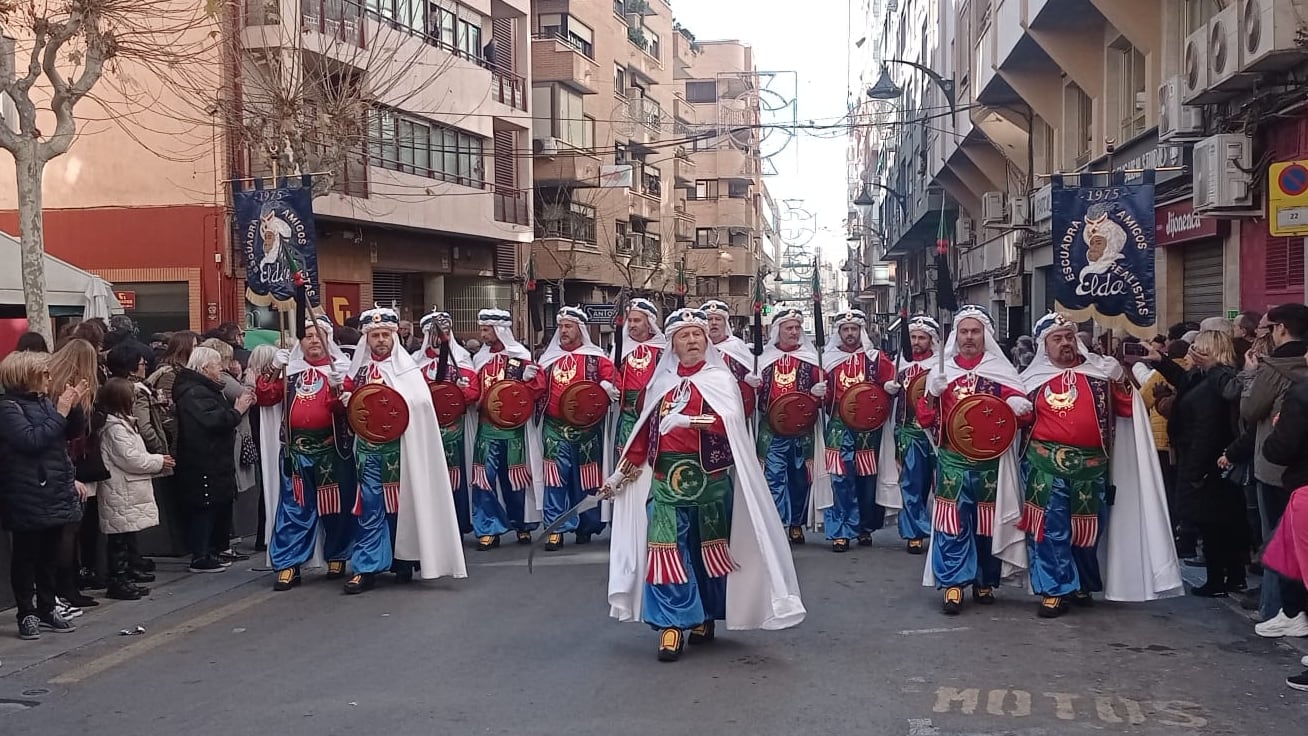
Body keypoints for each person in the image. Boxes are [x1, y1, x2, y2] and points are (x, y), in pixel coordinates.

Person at [606, 308, 805, 661]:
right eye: (685, 336)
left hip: (710, 483)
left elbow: (730, 422)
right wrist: (620, 473)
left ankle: (704, 616)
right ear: (673, 344)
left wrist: (689, 420)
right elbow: (643, 433)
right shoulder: (661, 382)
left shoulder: (719, 378)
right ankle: (671, 625)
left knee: (709, 553)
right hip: (667, 483)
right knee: (667, 553)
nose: (694, 340)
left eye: (698, 334)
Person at [1019, 313, 1180, 617]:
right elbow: (1017, 421)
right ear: (1044, 345)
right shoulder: (1029, 381)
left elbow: (1127, 411)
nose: (1066, 343)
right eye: (1058, 338)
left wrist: (1121, 381)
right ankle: (1054, 589)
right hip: (1044, 466)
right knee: (1050, 530)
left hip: (1091, 467)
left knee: (1088, 531)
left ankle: (1082, 582)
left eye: (1069, 336)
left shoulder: (1100, 373)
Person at [341, 306, 466, 593]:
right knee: (370, 507)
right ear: (367, 339)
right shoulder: (356, 371)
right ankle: (366, 567)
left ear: (394, 336)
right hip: (369, 451)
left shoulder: (408, 370)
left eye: (385, 334)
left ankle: (404, 560)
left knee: (401, 506)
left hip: (402, 451)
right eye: (375, 336)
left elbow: (420, 405)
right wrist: (345, 398)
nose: (381, 340)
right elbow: (347, 404)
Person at [916, 305, 1032, 614]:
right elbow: (925, 418)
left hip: (991, 461)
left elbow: (1022, 415)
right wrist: (931, 395)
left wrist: (1017, 404)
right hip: (953, 459)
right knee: (952, 522)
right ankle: (954, 583)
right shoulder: (942, 371)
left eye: (975, 331)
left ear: (985, 335)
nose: (969, 337)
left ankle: (985, 579)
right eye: (964, 331)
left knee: (987, 523)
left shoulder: (1001, 370)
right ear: (957, 335)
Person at [255, 316, 357, 590]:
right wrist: (274, 368)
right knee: (294, 509)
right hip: (296, 452)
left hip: (331, 450)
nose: (313, 341)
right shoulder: (291, 370)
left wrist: (341, 392)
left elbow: (348, 412)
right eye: (308, 335)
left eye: (319, 335)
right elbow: (264, 396)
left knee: (335, 505)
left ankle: (338, 555)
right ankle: (289, 563)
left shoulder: (343, 369)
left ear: (329, 340)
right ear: (300, 340)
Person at [0, 350, 90, 639]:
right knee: (26, 555)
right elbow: (32, 440)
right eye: (45, 374)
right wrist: (62, 411)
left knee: (50, 553)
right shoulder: (8, 408)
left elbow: (66, 433)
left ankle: (48, 606)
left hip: (54, 489)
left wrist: (73, 408)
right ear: (27, 377)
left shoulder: (44, 403)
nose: (50, 379)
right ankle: (27, 611)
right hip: (26, 491)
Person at [1147, 330, 1243, 596]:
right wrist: (1161, 360)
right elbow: (1185, 380)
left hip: (1207, 461)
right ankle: (1228, 577)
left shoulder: (1218, 379)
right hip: (1199, 457)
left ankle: (1219, 580)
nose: (1191, 352)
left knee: (1215, 524)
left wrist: (1195, 469)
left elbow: (1207, 428)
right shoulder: (1202, 377)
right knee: (1214, 521)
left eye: (1197, 348)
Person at [1238, 304, 1308, 635]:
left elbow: (1250, 410)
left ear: (1281, 329)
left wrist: (1250, 375)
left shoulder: (1274, 369)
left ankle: (1278, 610)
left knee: (1278, 544)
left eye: (1265, 330)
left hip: (1277, 465)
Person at [532, 306, 619, 550]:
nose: (563, 331)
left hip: (587, 428)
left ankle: (587, 525)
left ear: (580, 329)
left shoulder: (596, 358)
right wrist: (530, 379)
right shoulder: (548, 359)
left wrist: (606, 386)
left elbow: (614, 381)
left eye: (568, 326)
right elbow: (537, 391)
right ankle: (555, 529)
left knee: (588, 478)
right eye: (560, 327)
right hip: (554, 427)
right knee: (555, 479)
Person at [820, 309, 898, 552]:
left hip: (867, 428)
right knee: (839, 477)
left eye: (854, 329)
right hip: (838, 425)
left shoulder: (875, 358)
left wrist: (889, 386)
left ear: (861, 331)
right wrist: (819, 392)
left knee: (866, 479)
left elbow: (889, 380)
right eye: (845, 329)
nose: (850, 333)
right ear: (839, 332)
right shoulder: (827, 360)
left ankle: (864, 526)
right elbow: (823, 394)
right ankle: (841, 530)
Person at [174, 346, 256, 573]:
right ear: (204, 368)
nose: (221, 369)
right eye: (216, 365)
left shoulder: (203, 389)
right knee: (205, 506)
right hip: (202, 458)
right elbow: (213, 421)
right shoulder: (194, 392)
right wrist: (237, 411)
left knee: (215, 504)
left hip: (213, 457)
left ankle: (214, 549)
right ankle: (201, 555)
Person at [94, 378, 173, 601]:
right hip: (119, 488)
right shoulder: (114, 428)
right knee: (118, 537)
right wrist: (158, 460)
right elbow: (130, 458)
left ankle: (127, 573)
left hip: (126, 488)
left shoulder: (123, 423)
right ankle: (118, 580)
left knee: (126, 533)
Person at [755, 307, 828, 545]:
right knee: (773, 478)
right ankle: (777, 524)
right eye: (789, 328)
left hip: (802, 430)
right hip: (772, 430)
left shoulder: (811, 359)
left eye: (797, 328)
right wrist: (752, 387)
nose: (794, 332)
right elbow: (752, 397)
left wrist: (819, 394)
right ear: (778, 331)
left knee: (799, 479)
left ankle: (796, 522)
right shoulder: (763, 360)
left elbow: (826, 397)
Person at [469, 308, 540, 548]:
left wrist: (530, 381)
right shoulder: (479, 358)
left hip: (514, 429)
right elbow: (473, 392)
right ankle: (489, 527)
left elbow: (536, 392)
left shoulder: (521, 356)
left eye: (487, 330)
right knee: (483, 479)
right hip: (486, 427)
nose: (483, 334)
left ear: (500, 330)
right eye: (482, 329)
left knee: (516, 479)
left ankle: (522, 524)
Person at [413, 309, 477, 540]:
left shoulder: (461, 360)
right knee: (426, 480)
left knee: (454, 480)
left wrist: (463, 390)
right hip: (424, 432)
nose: (441, 337)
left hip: (452, 430)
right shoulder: (413, 363)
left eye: (445, 332)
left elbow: (473, 394)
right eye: (435, 332)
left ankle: (456, 526)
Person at [50, 338, 104, 608]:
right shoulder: (73, 391)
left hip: (61, 466)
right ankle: (66, 588)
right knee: (69, 530)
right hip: (68, 465)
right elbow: (71, 434)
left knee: (65, 531)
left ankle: (64, 587)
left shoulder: (53, 385)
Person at [893, 315, 941, 554]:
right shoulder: (898, 363)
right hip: (908, 431)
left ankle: (942, 529)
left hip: (937, 434)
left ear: (931, 340)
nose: (916, 341)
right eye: (912, 337)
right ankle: (915, 532)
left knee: (939, 484)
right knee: (911, 483)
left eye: (922, 337)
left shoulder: (942, 365)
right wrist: (888, 390)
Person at [614, 299, 668, 459]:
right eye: (629, 320)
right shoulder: (620, 349)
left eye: (637, 320)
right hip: (628, 414)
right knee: (625, 457)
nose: (631, 324)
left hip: (654, 413)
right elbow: (613, 373)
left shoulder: (662, 350)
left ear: (649, 323)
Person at [700, 300, 758, 419]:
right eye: (709, 319)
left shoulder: (737, 346)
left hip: (735, 408)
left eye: (718, 319)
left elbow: (756, 375)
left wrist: (752, 379)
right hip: (704, 409)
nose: (714, 323)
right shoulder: (697, 348)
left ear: (725, 323)